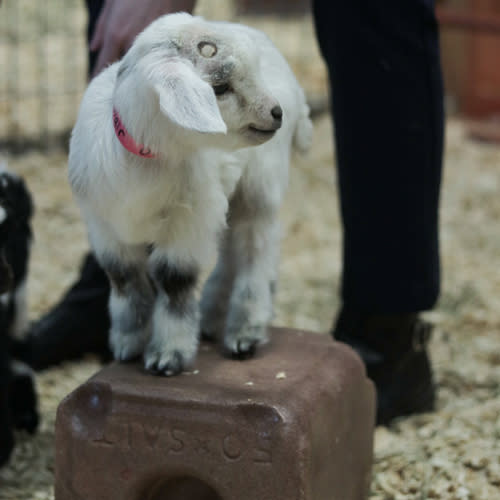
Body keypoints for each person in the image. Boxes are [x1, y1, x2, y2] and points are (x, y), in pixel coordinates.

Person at [21, 0, 443, 426]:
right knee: (124, 25)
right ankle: (115, 294)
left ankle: (387, 331)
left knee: (374, 17)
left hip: (195, 130)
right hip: (154, 115)